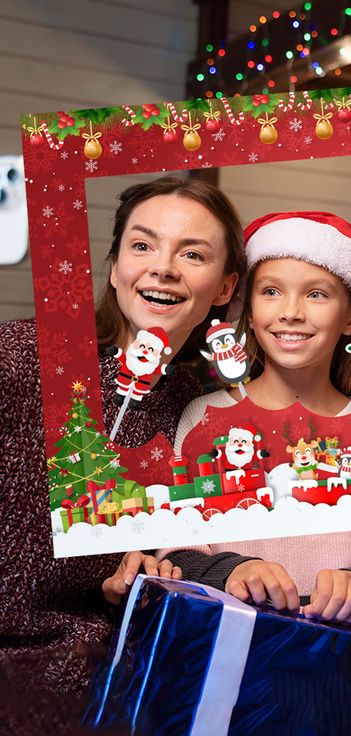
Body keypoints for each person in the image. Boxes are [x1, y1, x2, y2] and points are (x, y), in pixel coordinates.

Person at [0, 175, 244, 717]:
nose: (163, 267)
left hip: (93, 680)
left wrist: (147, 566)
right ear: (114, 268)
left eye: (193, 254)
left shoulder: (193, 407)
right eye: (142, 245)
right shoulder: (21, 357)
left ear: (225, 289)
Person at [106, 211, 351, 624]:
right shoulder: (201, 416)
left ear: (350, 317)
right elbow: (174, 550)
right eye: (272, 291)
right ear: (249, 310)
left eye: (316, 295)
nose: (291, 312)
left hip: (345, 663)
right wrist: (233, 570)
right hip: (226, 653)